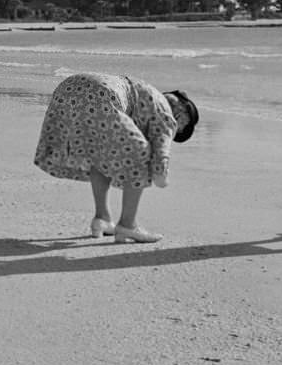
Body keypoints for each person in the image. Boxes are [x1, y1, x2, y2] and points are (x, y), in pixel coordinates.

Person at [34, 72, 199, 243]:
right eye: (181, 126)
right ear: (181, 113)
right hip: (102, 95)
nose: (175, 128)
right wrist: (160, 174)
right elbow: (161, 154)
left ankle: (102, 218)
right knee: (141, 152)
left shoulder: (147, 92)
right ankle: (128, 224)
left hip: (68, 89)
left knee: (100, 154)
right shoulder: (167, 114)